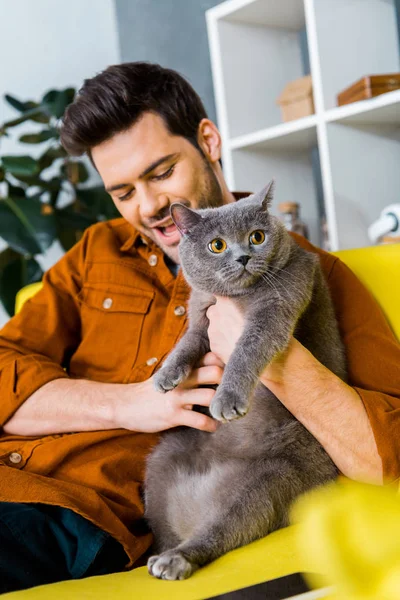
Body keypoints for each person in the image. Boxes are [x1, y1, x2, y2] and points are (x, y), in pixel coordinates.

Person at [0, 62, 399, 594]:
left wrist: (270, 353)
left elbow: (384, 458)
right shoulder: (96, 253)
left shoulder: (312, 274)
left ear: (208, 140)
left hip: (70, 516)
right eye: (122, 192)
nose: (148, 207)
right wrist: (130, 403)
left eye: (162, 173)